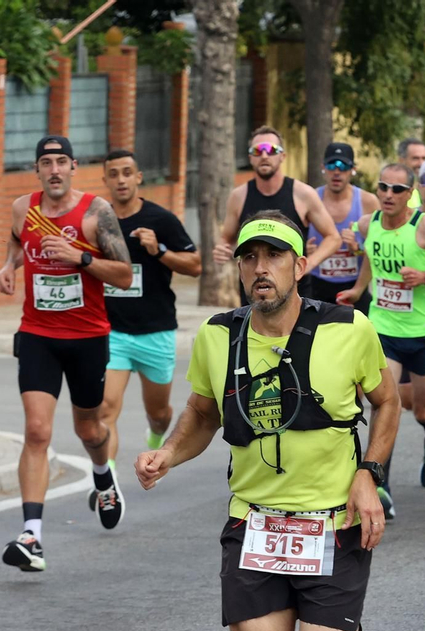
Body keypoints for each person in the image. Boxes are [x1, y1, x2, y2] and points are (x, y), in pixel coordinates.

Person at [135, 211, 392, 631]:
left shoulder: (346, 329)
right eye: (250, 257)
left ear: (298, 264)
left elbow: (386, 403)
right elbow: (201, 414)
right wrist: (168, 455)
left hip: (333, 529)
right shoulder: (219, 337)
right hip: (254, 529)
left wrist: (371, 474)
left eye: (275, 255)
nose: (261, 268)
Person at [0, 135, 136, 571]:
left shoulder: (96, 213)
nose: (54, 169)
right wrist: (8, 265)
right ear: (37, 170)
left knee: (89, 429)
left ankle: (103, 476)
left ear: (74, 167)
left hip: (87, 337)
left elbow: (126, 276)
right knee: (37, 431)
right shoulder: (24, 208)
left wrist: (81, 258)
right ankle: (31, 537)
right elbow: (18, 240)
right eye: (45, 163)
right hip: (37, 333)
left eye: (61, 162)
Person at [337, 164, 425, 517]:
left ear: (409, 191)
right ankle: (381, 485)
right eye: (383, 186)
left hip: (424, 332)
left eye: (397, 189)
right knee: (386, 403)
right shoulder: (369, 223)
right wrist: (357, 289)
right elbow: (368, 254)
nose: (388, 194)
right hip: (383, 329)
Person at [92, 148, 201, 510]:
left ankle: (155, 434)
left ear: (139, 178)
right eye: (114, 173)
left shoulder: (160, 218)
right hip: (112, 331)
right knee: (106, 407)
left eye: (127, 172)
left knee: (160, 413)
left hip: (155, 331)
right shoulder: (97, 220)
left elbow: (195, 265)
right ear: (105, 179)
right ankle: (106, 485)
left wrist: (159, 251)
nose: (121, 179)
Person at [214, 127, 340, 279]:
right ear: (250, 157)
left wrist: (309, 265)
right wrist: (221, 249)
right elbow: (226, 239)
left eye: (272, 149)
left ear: (282, 156)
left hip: (295, 292)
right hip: (253, 291)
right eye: (257, 151)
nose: (265, 155)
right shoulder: (238, 196)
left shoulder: (303, 194)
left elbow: (333, 238)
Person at [304, 142, 378, 307]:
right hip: (317, 285)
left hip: (355, 286)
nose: (337, 172)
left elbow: (380, 247)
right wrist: (304, 250)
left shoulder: (368, 202)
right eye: (332, 165)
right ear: (323, 168)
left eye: (343, 166)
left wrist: (357, 248)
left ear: (353, 169)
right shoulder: (311, 199)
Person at [397, 138, 425, 209]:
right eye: (415, 158)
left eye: (424, 158)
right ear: (401, 161)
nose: (421, 163)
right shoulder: (395, 191)